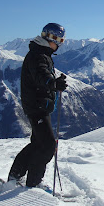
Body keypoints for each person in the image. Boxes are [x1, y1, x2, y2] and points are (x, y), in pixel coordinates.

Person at [8, 23, 68, 187]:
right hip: (37, 107)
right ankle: (33, 183)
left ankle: (15, 176)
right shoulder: (38, 55)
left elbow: (42, 75)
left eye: (61, 40)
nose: (59, 43)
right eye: (58, 39)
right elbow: (41, 75)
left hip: (39, 105)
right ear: (50, 37)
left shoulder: (41, 53)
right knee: (48, 146)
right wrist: (53, 83)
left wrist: (53, 84)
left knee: (38, 144)